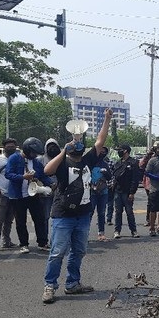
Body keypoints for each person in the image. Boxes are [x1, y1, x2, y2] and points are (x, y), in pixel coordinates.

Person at [41, 108, 112, 304]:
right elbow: (47, 170)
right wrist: (64, 150)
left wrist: (106, 119)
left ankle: (72, 284)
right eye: (75, 143)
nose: (78, 144)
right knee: (57, 252)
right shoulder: (63, 164)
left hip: (83, 215)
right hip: (63, 215)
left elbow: (100, 140)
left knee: (78, 251)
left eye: (79, 142)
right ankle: (50, 285)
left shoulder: (88, 160)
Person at [5, 137, 51, 254]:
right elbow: (8, 174)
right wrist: (22, 177)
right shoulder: (14, 158)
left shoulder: (36, 162)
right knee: (21, 221)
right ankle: (24, 244)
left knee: (39, 219)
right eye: (33, 152)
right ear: (26, 149)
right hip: (18, 195)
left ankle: (42, 242)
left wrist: (51, 183)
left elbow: (43, 175)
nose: (34, 155)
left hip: (33, 194)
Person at [110, 144, 141, 239]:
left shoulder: (133, 162)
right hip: (118, 191)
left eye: (120, 150)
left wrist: (132, 192)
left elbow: (135, 179)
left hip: (127, 192)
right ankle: (117, 231)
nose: (119, 152)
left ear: (126, 151)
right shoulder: (118, 163)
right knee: (118, 212)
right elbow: (114, 176)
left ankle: (133, 231)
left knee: (129, 212)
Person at [37, 139, 61, 245]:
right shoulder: (40, 160)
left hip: (59, 192)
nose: (52, 148)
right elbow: (38, 175)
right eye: (50, 146)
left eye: (54, 146)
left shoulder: (62, 159)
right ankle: (44, 240)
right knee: (45, 217)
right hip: (44, 192)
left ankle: (56, 240)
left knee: (58, 216)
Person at [89, 148, 112, 241]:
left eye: (104, 152)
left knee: (101, 213)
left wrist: (106, 172)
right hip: (92, 192)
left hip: (103, 192)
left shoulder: (105, 164)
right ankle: (85, 233)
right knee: (89, 213)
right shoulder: (90, 163)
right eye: (100, 151)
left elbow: (109, 177)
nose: (102, 153)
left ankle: (101, 233)